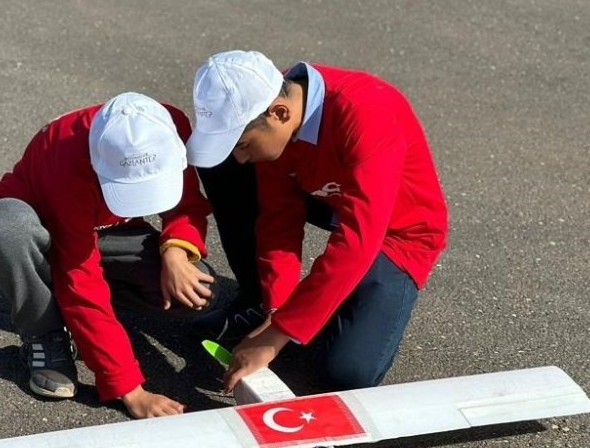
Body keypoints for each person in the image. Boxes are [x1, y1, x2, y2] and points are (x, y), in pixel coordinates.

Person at [187, 50, 448, 394]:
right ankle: (258, 301)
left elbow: (359, 238)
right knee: (223, 168)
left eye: (244, 144)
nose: (239, 154)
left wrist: (276, 335)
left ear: (279, 113)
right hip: (330, 195)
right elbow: (279, 219)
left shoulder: (366, 112)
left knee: (346, 373)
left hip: (397, 230)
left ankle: (321, 310)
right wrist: (276, 308)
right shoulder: (273, 102)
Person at [0, 92, 215, 418]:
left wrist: (176, 251)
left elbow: (187, 205)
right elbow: (80, 276)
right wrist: (129, 388)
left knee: (195, 293)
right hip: (39, 224)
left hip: (103, 231)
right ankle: (44, 333)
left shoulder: (165, 127)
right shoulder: (63, 156)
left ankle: (79, 315)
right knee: (8, 229)